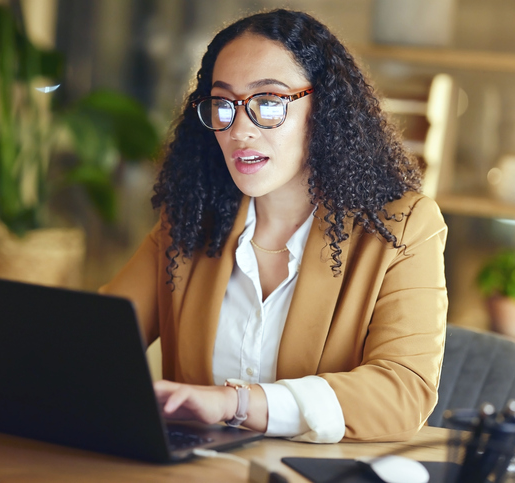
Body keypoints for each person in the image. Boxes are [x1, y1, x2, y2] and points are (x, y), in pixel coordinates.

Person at [100, 9, 447, 443]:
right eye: (223, 104)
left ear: (323, 108)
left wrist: (237, 404)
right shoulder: (190, 218)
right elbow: (97, 341)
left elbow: (403, 392)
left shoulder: (400, 226)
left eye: (268, 103)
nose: (240, 130)